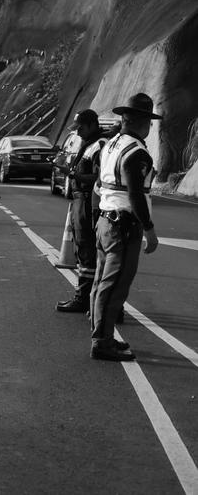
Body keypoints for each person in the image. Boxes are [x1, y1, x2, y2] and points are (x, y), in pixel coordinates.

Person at [89, 93, 161, 361]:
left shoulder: (111, 145)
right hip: (123, 226)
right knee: (115, 285)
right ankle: (102, 342)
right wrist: (150, 230)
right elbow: (135, 194)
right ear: (143, 122)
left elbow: (99, 184)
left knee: (101, 282)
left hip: (106, 222)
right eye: (149, 122)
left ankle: (102, 334)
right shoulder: (137, 153)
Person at [56, 109, 109, 313]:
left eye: (80, 128)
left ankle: (84, 299)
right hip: (81, 200)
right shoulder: (90, 144)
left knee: (88, 251)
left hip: (89, 202)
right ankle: (86, 297)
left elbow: (98, 178)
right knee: (83, 250)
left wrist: (71, 174)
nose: (77, 133)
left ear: (92, 125)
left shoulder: (100, 145)